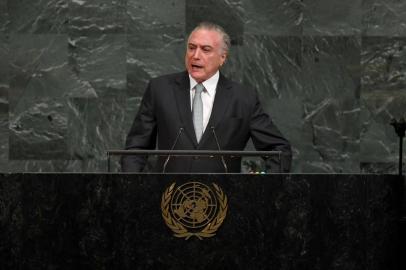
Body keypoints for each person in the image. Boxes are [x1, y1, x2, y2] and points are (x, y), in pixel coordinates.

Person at [121, 22, 292, 173]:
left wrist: (265, 188)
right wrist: (132, 186)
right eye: (191, 47)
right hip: (169, 198)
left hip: (223, 200)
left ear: (222, 58)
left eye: (205, 49)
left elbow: (279, 150)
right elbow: (136, 148)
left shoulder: (243, 97)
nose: (195, 55)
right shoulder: (160, 89)